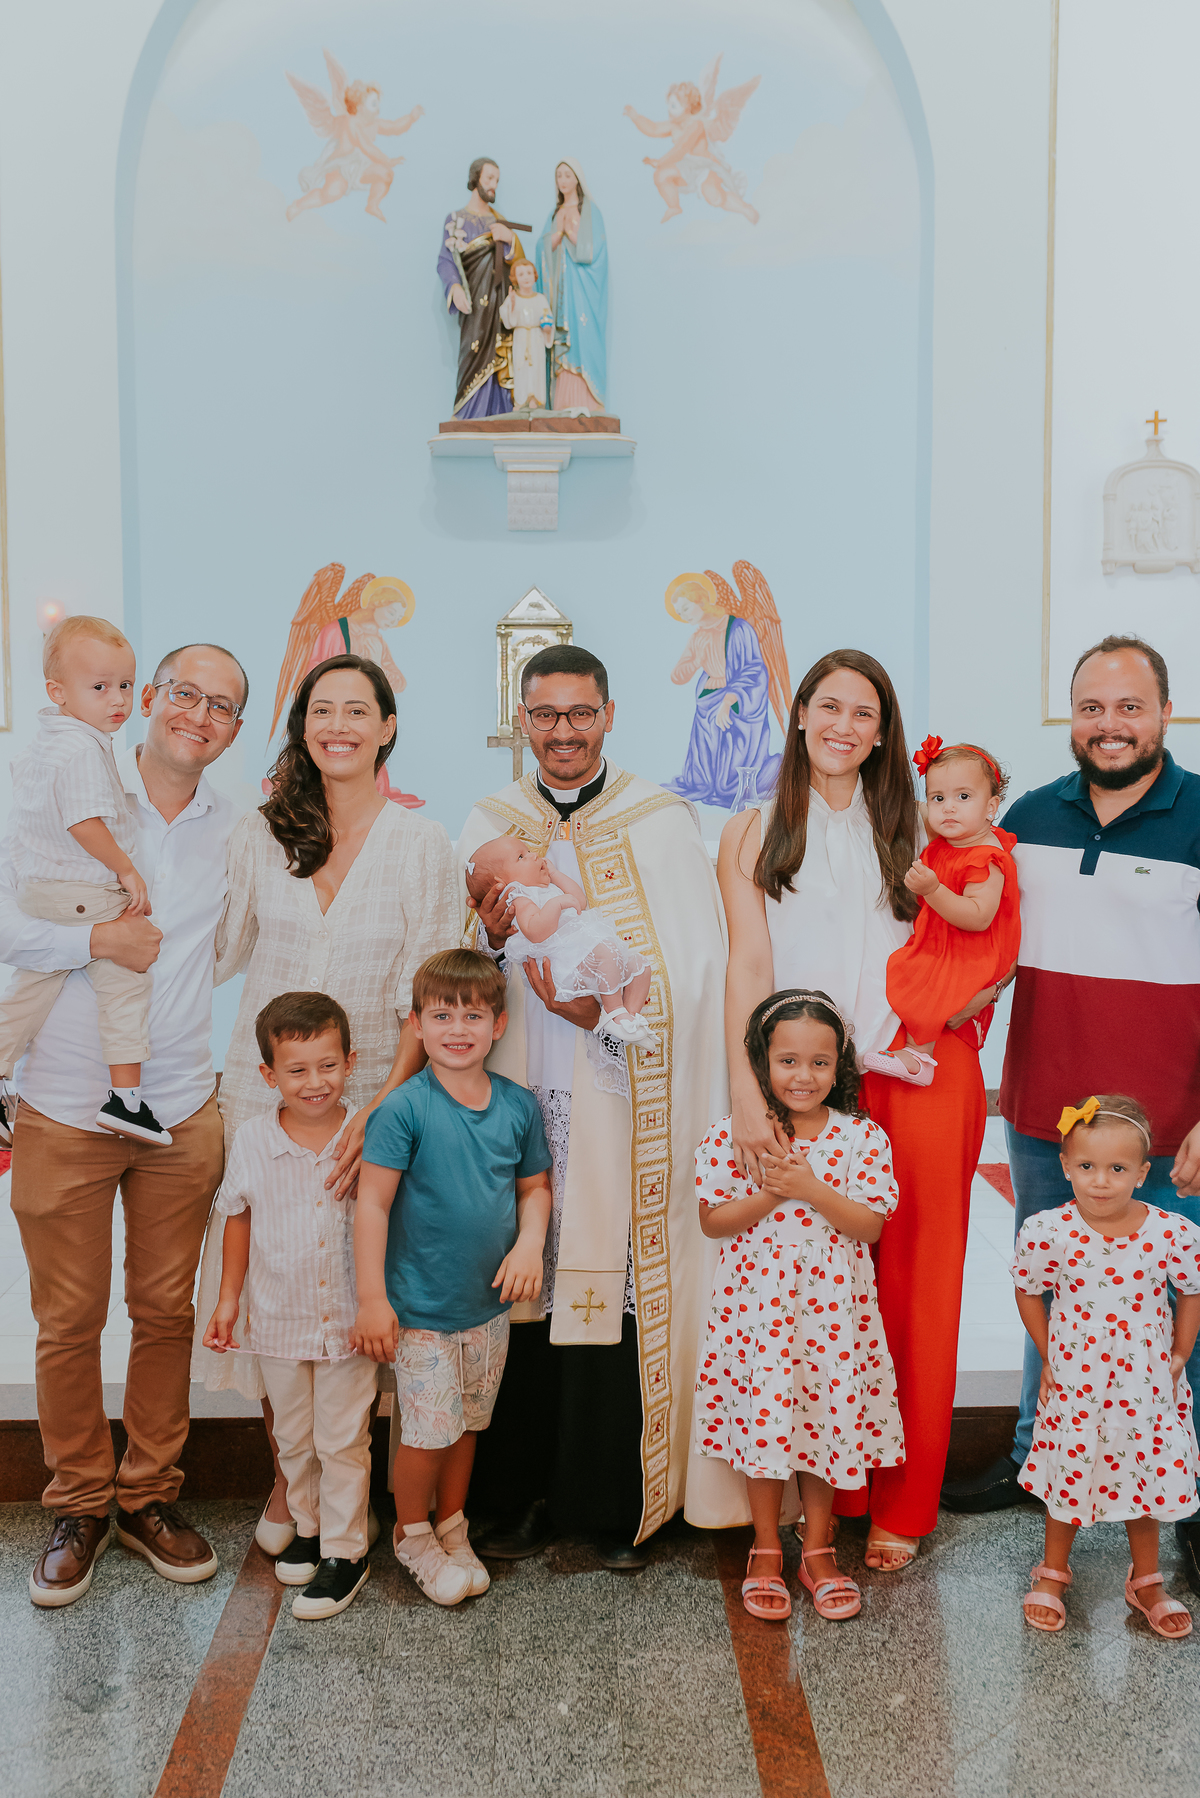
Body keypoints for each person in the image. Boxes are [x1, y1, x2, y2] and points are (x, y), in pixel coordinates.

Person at [718, 649, 998, 1570]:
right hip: (808, 1080)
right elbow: (749, 965)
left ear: (883, 733)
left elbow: (988, 926)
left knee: (918, 1283)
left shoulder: (920, 823)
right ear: (800, 713)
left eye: (864, 713)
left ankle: (904, 1504)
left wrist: (967, 1002)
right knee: (823, 1293)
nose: (844, 725)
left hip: (919, 1069)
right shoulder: (753, 830)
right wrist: (747, 1090)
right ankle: (831, 1501)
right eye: (829, 706)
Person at [941, 634, 1200, 1602]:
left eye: (1129, 706)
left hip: (1170, 1126)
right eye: (1092, 707)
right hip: (1047, 1113)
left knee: (1174, 1311)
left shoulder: (1198, 815)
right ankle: (1033, 1460)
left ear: (1164, 712)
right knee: (1049, 1286)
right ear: (1073, 716)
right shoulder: (1026, 818)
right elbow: (986, 942)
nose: (1109, 724)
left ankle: (1186, 1503)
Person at [458, 644, 728, 1567]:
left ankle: (610, 1499)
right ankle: (515, 1493)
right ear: (522, 721)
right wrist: (487, 935)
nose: (563, 732)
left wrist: (606, 1018)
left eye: (580, 714)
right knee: (518, 1285)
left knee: (608, 1285)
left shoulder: (659, 821)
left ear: (609, 715)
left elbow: (695, 968)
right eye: (546, 715)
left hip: (616, 1094)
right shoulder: (490, 822)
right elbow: (450, 969)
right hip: (515, 1090)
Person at [191, 654, 459, 1556]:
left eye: (356, 710)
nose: (337, 724)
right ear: (302, 726)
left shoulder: (421, 844)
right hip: (265, 1093)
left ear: (387, 728)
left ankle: (352, 1490)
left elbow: (427, 992)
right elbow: (215, 951)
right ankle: (288, 1479)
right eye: (321, 709)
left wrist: (378, 1110)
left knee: (355, 1290)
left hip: (376, 1098)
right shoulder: (262, 834)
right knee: (276, 1284)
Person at [4, 642, 248, 1606]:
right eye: (185, 693)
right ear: (148, 698)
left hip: (179, 1105)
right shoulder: (71, 792)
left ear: (234, 729)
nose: (199, 714)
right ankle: (77, 1503)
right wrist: (95, 938)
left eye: (221, 705)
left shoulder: (235, 829)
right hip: (64, 1105)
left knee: (164, 1312)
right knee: (68, 1320)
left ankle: (149, 1495)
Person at [352, 950, 552, 1606]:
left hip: (488, 1307)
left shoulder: (518, 1106)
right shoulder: (403, 1109)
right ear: (416, 1025)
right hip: (421, 1312)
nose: (457, 1028)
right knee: (426, 1431)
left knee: (468, 1423)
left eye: (472, 1015)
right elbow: (372, 1204)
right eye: (441, 1015)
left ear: (499, 1025)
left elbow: (534, 1188)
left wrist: (529, 1246)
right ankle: (411, 1534)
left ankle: (451, 1525)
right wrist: (373, 1299)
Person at [695, 990, 902, 1623]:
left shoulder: (861, 1138)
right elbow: (712, 1221)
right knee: (766, 1425)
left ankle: (817, 1549)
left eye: (819, 1062)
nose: (803, 1076)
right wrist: (770, 1192)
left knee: (824, 1425)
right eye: (788, 1060)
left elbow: (869, 1225)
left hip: (831, 1318)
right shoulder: (736, 1135)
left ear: (839, 1065)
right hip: (759, 1316)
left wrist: (809, 1186)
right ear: (762, 1062)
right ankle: (764, 1547)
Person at [203, 992, 378, 1619]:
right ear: (268, 1074)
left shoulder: (366, 1134)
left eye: (328, 1065)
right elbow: (237, 1217)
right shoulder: (254, 1139)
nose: (314, 1082)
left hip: (349, 1323)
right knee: (294, 1436)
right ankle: (309, 1526)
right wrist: (228, 1300)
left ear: (350, 1062)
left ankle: (346, 1551)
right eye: (297, 1070)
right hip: (278, 1319)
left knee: (342, 1438)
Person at [1013, 1093, 1198, 1638]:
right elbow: (1028, 1289)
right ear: (1066, 1166)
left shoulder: (1171, 1233)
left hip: (1144, 1384)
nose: (1100, 1181)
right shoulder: (1050, 1231)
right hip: (1078, 1380)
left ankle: (1146, 1578)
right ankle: (1053, 1570)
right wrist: (1048, 1356)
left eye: (1117, 1169)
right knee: (1071, 1469)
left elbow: (1191, 1291)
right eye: (1087, 1166)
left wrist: (1180, 1353)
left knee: (1146, 1475)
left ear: (1142, 1173)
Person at [0, 616, 169, 1144]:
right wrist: (125, 868)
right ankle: (126, 1101)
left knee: (33, 984)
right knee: (126, 980)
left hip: (44, 889)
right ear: (58, 691)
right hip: (83, 891)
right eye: (99, 687)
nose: (117, 699)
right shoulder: (80, 749)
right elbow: (84, 823)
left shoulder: (45, 744)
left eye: (125, 685)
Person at [863, 737, 1020, 1086]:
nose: (948, 808)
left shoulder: (986, 857)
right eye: (938, 798)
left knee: (928, 981)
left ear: (991, 807)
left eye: (963, 797)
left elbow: (978, 916)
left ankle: (919, 1056)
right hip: (943, 941)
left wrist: (932, 890)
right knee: (903, 968)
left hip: (971, 951)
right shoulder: (944, 847)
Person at [465, 835, 655, 1047]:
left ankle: (629, 1021)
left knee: (640, 965)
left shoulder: (547, 888)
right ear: (501, 884)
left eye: (529, 851)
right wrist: (555, 905)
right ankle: (614, 1012)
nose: (534, 855)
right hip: (566, 963)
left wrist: (555, 875)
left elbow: (579, 901)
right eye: (521, 857)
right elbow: (535, 931)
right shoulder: (521, 898)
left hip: (582, 951)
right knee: (607, 951)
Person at [438, 157, 525, 419]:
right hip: (473, 301)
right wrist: (455, 287)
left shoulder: (500, 220)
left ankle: (499, 413)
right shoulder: (456, 220)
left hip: (498, 303)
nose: (493, 185)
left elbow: (519, 266)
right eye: (489, 178)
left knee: (499, 354)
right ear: (475, 178)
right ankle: (468, 414)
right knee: (473, 352)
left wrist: (511, 239)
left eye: (496, 180)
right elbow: (445, 260)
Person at [535, 160, 607, 413]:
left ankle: (588, 400)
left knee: (582, 335)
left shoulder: (590, 211)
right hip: (560, 288)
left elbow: (595, 250)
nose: (563, 180)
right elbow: (542, 249)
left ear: (577, 178)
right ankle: (562, 402)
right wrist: (557, 236)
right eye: (559, 176)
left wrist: (570, 234)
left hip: (582, 287)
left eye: (567, 175)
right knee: (562, 338)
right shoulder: (554, 214)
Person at [498, 259, 553, 410]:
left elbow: (548, 318)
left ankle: (536, 400)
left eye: (529, 273)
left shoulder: (540, 298)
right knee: (521, 368)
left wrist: (548, 329)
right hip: (521, 338)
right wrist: (512, 305)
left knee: (537, 368)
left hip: (536, 337)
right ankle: (521, 400)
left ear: (534, 275)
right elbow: (508, 321)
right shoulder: (513, 297)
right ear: (515, 278)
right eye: (521, 274)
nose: (526, 277)